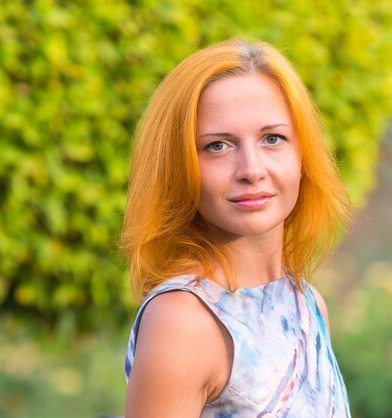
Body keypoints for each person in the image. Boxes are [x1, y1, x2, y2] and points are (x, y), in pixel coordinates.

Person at [120, 38, 352, 417]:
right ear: (179, 167)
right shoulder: (184, 320)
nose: (252, 170)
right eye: (218, 146)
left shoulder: (307, 304)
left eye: (272, 139)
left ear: (302, 155)